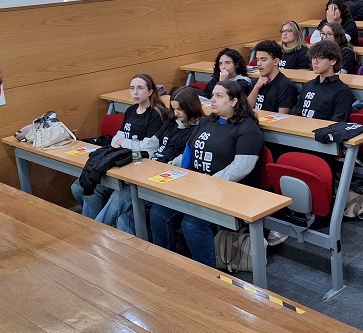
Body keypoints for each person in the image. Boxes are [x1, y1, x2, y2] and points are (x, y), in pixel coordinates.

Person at [149, 81, 265, 267]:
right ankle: (166, 263)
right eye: (213, 95)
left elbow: (241, 168)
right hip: (197, 185)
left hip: (228, 191)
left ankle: (207, 273)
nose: (213, 99)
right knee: (158, 212)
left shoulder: (247, 129)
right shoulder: (207, 121)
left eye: (219, 96)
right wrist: (183, 176)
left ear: (234, 101)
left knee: (192, 224)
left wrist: (208, 184)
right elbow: (189, 150)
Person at [97, 87, 205, 232]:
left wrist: (157, 168)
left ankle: (96, 232)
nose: (176, 113)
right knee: (125, 215)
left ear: (191, 108)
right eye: (174, 109)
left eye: (180, 109)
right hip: (151, 171)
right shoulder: (171, 123)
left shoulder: (199, 129)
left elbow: (184, 160)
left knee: (122, 196)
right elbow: (150, 145)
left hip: (168, 178)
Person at [71, 73, 167, 218]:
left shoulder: (155, 114)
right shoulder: (130, 110)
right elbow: (116, 138)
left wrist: (125, 142)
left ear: (150, 91)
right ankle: (95, 225)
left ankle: (99, 228)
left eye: (140, 88)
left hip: (139, 162)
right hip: (121, 158)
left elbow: (148, 147)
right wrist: (127, 142)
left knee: (110, 195)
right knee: (79, 187)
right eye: (132, 88)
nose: (135, 92)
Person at [292, 40, 354, 122]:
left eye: (320, 58)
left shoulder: (342, 91)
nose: (314, 62)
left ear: (333, 61)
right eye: (313, 58)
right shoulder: (308, 85)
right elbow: (296, 112)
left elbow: (337, 122)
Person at [247, 39, 299, 113]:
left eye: (263, 60)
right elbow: (246, 111)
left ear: (276, 61)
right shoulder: (256, 82)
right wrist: (256, 88)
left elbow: (282, 117)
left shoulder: (286, 87)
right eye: (257, 59)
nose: (258, 63)